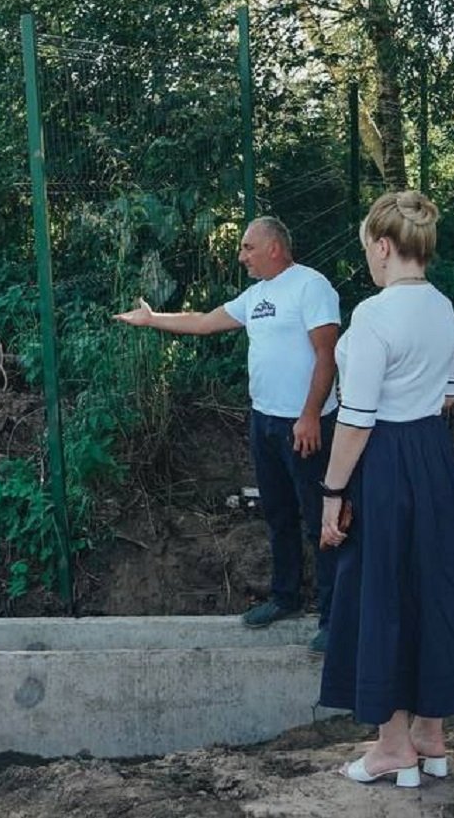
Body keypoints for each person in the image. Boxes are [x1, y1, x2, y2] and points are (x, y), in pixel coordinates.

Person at [318, 191, 454, 788]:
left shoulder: (373, 314)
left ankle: (393, 746)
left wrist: (332, 490)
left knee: (382, 593)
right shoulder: (443, 307)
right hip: (433, 460)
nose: (369, 259)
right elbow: (449, 390)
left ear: (385, 246)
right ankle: (431, 736)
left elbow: (355, 417)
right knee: (432, 587)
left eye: (369, 247)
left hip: (386, 461)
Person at [113, 215, 340, 649]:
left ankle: (334, 618)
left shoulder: (312, 287)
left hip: (307, 423)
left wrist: (310, 414)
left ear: (274, 247)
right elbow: (203, 322)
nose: (242, 256)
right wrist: (152, 318)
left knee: (320, 519)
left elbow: (326, 355)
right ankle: (285, 596)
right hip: (265, 421)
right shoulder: (257, 295)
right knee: (278, 515)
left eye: (247, 248)